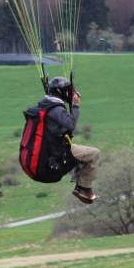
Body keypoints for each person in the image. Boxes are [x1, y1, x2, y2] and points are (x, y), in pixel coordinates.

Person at [41, 76, 101, 204]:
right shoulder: (55, 109)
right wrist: (75, 106)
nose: (69, 93)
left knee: (81, 153)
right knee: (94, 153)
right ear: (60, 92)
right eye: (67, 91)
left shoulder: (46, 103)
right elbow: (71, 124)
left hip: (50, 148)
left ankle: (80, 183)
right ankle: (83, 188)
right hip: (57, 151)